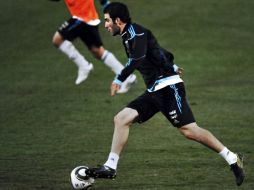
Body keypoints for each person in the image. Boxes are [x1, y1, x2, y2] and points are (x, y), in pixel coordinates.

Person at [83, 2, 245, 186]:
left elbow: (137, 59)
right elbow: (157, 50)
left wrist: (119, 79)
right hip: (154, 90)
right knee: (121, 119)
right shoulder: (129, 35)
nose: (105, 25)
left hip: (169, 87)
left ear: (117, 20)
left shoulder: (136, 33)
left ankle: (232, 159)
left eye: (107, 21)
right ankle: (110, 167)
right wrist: (172, 65)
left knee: (189, 130)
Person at [49, 0, 136, 93]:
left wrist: (107, 6)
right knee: (97, 51)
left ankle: (84, 65)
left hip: (81, 18)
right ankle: (127, 77)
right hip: (89, 18)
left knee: (57, 40)